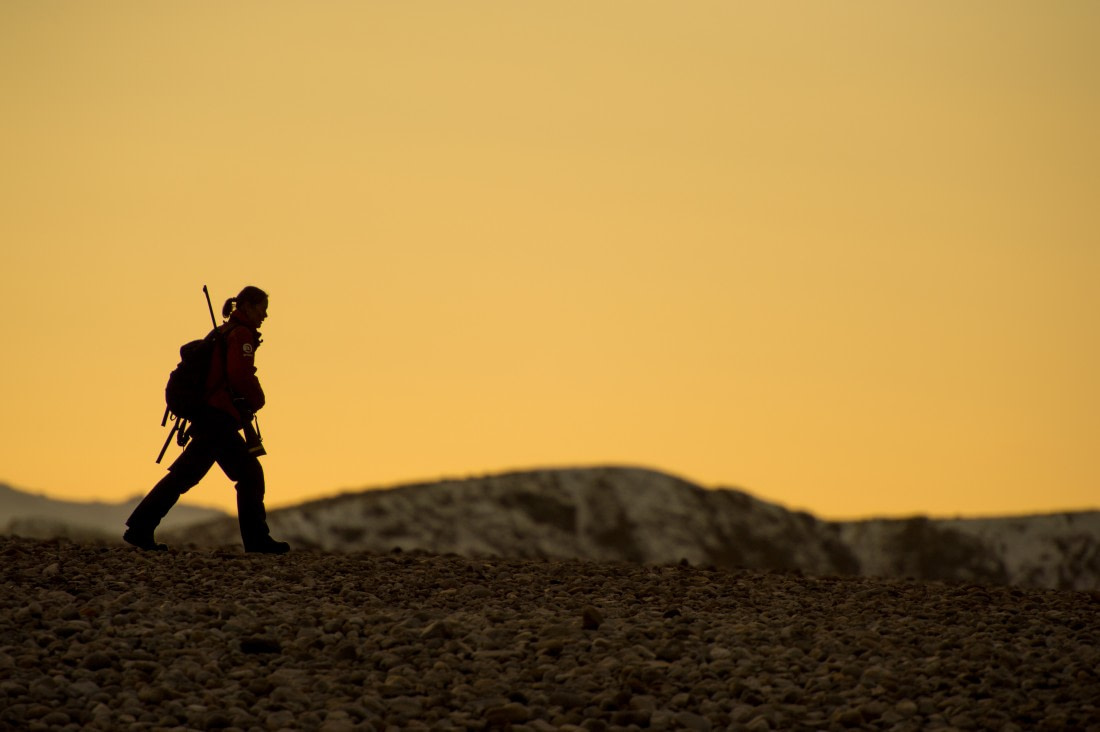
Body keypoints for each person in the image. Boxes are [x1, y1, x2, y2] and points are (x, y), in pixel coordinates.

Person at [125, 286, 290, 554]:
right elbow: (240, 375)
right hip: (218, 419)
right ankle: (257, 542)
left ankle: (140, 527)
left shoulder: (223, 332)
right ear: (247, 306)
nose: (265, 315)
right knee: (249, 474)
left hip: (209, 416)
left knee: (185, 475)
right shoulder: (241, 335)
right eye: (262, 309)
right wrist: (258, 400)